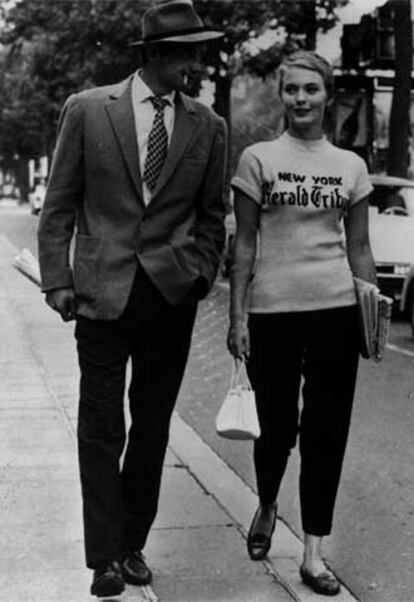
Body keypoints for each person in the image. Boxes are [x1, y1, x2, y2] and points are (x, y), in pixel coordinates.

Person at [38, 1, 227, 597]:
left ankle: (132, 543)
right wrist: (57, 280)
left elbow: (212, 217)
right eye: (186, 53)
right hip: (100, 291)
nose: (195, 65)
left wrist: (198, 274)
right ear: (154, 56)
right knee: (100, 426)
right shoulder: (90, 109)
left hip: (170, 296)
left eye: (198, 53)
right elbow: (59, 202)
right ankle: (104, 559)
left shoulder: (208, 125)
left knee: (150, 428)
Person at [227, 50, 377, 597]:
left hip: (336, 313)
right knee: (276, 430)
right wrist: (237, 315)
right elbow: (244, 244)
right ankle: (267, 501)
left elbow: (359, 247)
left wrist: (370, 316)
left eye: (311, 90)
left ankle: (313, 552)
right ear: (282, 95)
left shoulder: (350, 166)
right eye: (291, 90)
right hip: (272, 314)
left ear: (327, 95)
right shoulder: (258, 159)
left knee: (326, 433)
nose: (301, 99)